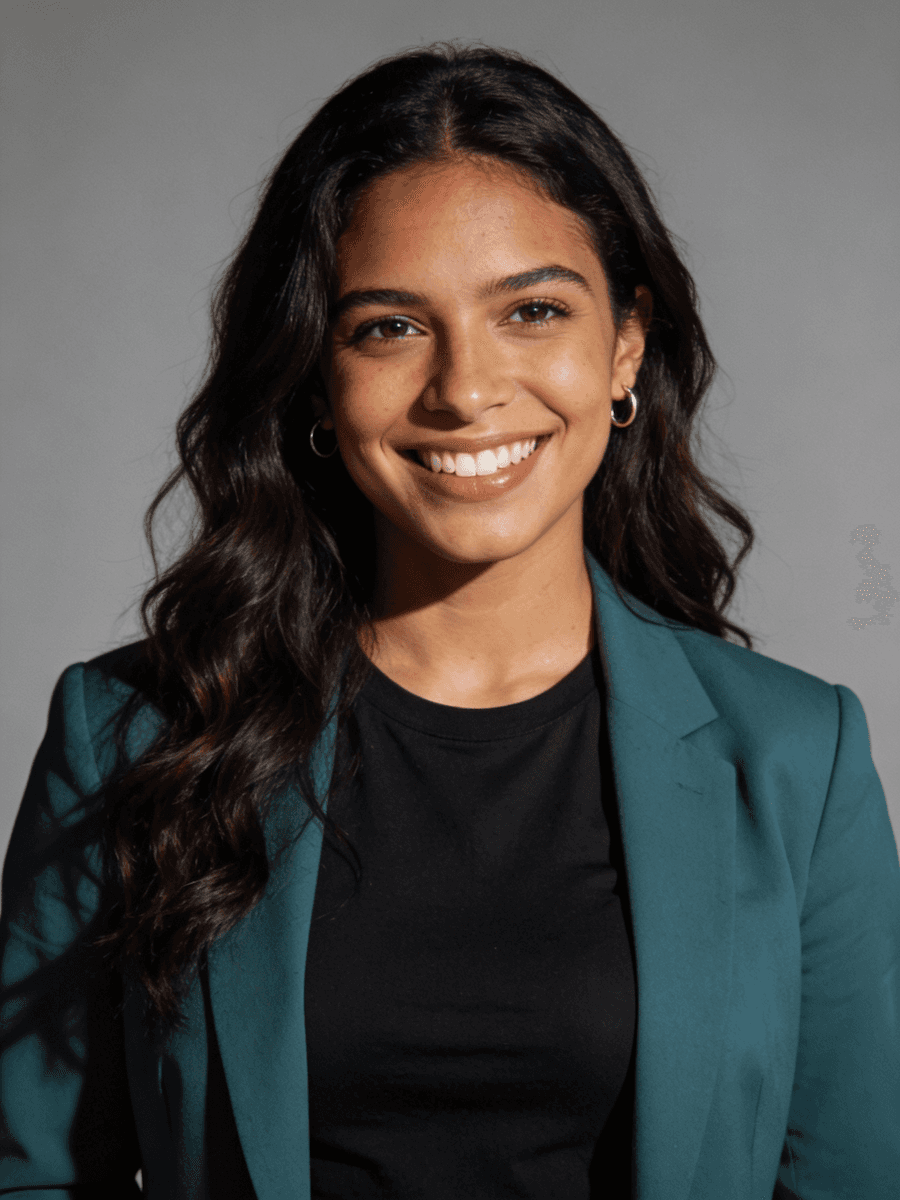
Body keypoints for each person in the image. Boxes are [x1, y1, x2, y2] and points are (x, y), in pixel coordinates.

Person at [1, 39, 898, 1200]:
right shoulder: (130, 737)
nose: (466, 390)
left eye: (532, 310)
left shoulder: (794, 761)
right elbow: (32, 1176)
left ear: (625, 344)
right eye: (389, 326)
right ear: (316, 376)